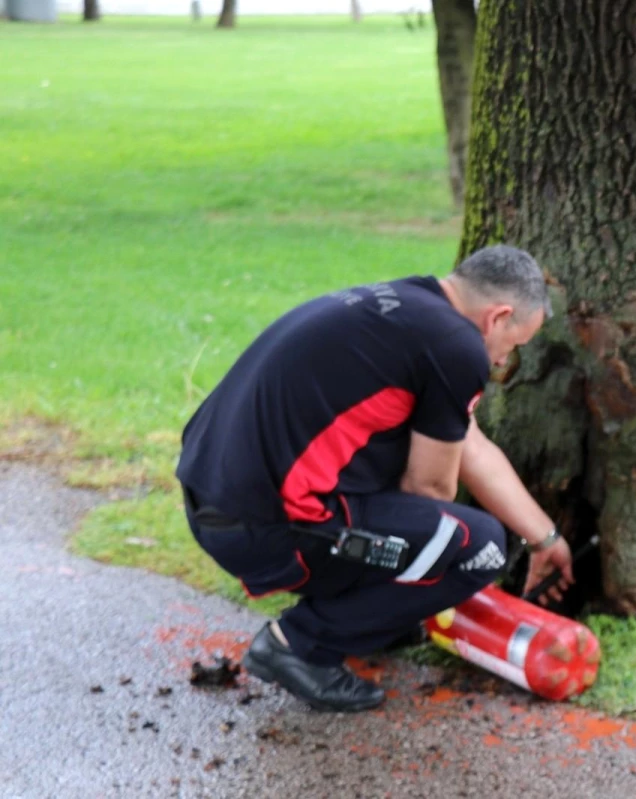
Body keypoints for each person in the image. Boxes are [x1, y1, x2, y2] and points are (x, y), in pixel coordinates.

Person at [175, 245, 573, 712]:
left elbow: (470, 444)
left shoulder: (406, 305)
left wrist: (545, 539)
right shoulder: (457, 346)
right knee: (479, 544)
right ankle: (299, 645)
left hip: (214, 501)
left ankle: (369, 619)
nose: (505, 361)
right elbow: (430, 493)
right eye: (514, 344)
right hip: (267, 528)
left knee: (410, 506)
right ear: (498, 317)